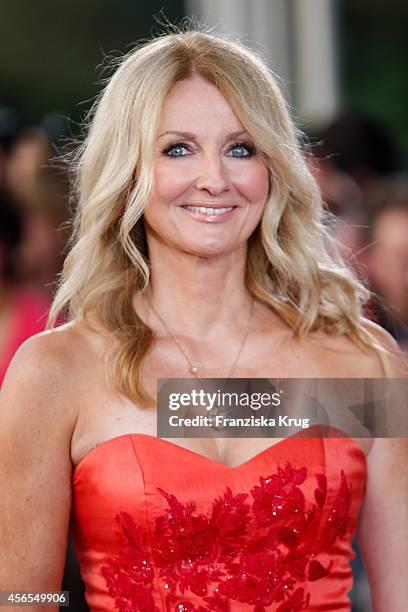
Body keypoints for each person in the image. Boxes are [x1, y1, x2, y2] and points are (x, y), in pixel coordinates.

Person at [0, 27, 407, 612]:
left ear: (274, 168)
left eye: (241, 149)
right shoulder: (56, 372)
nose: (214, 179)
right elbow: (23, 598)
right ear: (129, 169)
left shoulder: (360, 361)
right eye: (177, 149)